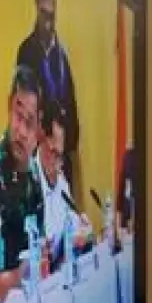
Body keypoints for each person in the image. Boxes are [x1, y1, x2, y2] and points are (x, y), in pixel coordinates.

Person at [0, 65, 45, 303]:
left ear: (40, 131)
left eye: (29, 122)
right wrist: (27, 272)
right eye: (17, 115)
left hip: (24, 301)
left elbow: (39, 251)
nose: (20, 131)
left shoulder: (33, 173)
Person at [16, 0, 79, 188]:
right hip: (37, 164)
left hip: (62, 164)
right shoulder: (26, 52)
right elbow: (23, 115)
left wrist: (64, 145)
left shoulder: (62, 57)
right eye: (44, 15)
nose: (48, 25)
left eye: (52, 16)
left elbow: (72, 114)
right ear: (36, 3)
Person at [33, 100, 92, 270]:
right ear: (40, 141)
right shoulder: (28, 185)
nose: (58, 164)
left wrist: (81, 232)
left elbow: (72, 225)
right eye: (53, 153)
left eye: (61, 155)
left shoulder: (61, 182)